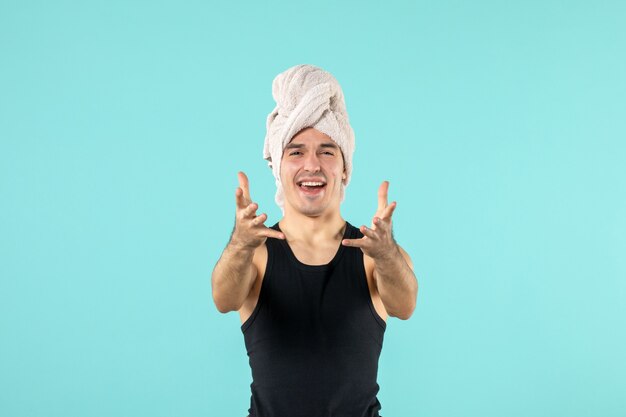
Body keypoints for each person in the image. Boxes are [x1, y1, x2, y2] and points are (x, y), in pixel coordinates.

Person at [211, 64, 418, 417]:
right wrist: (240, 245)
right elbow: (224, 298)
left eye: (326, 151)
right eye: (295, 151)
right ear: (278, 166)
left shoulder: (373, 254)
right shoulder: (256, 253)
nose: (312, 165)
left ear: (343, 167)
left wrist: (385, 255)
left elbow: (405, 305)